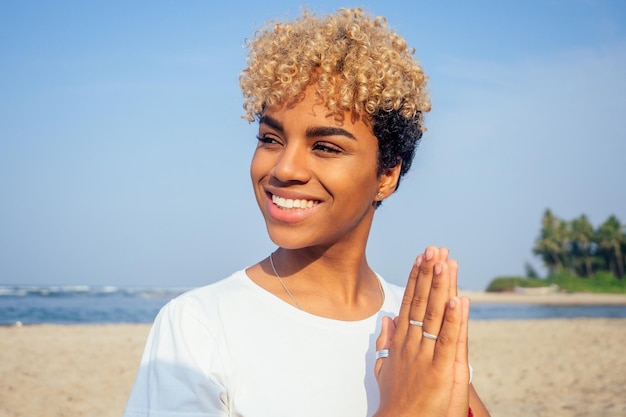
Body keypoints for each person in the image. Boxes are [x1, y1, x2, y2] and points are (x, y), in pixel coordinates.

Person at [124, 7, 489, 417]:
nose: (283, 169)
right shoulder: (199, 326)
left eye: (325, 147)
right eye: (270, 138)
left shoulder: (415, 325)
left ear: (386, 174)